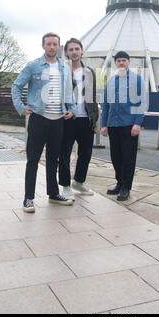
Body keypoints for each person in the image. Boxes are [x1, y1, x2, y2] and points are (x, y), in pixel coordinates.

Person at [12, 32, 76, 212]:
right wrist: (21, 107)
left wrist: (70, 108)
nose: (52, 47)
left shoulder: (65, 67)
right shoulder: (33, 66)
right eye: (48, 44)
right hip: (39, 119)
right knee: (32, 160)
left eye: (55, 44)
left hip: (58, 121)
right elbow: (16, 86)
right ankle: (28, 198)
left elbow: (69, 91)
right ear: (43, 46)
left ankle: (53, 194)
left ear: (59, 46)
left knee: (53, 160)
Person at [101, 51, 147, 201]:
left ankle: (126, 187)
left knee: (128, 158)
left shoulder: (137, 80)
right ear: (115, 63)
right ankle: (119, 183)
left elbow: (142, 102)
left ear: (129, 62)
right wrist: (104, 124)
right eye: (118, 61)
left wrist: (137, 123)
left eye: (124, 60)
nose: (121, 63)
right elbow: (106, 105)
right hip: (113, 125)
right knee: (116, 157)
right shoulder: (110, 82)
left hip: (129, 125)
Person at [58, 38, 99, 199]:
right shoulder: (62, 70)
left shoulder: (90, 72)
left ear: (82, 51)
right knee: (64, 153)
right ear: (67, 52)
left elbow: (94, 96)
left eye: (77, 49)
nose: (74, 52)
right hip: (68, 118)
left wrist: (94, 119)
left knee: (86, 153)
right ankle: (66, 185)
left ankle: (79, 182)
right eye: (71, 49)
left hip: (86, 118)